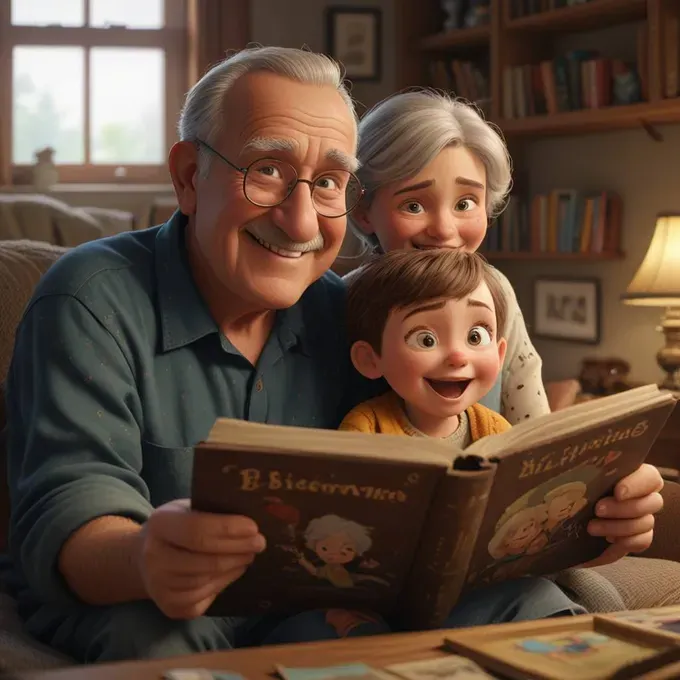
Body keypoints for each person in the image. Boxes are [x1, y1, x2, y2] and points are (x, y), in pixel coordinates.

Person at [3, 46, 384, 663]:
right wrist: (146, 555)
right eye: (266, 170)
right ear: (187, 178)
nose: (299, 219)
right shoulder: (88, 298)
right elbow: (66, 510)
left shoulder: (347, 319)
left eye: (330, 183)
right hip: (134, 602)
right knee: (163, 636)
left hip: (300, 605)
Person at [347, 89, 663, 570]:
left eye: (466, 202)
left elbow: (534, 436)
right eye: (414, 205)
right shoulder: (340, 302)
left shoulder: (496, 293)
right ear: (364, 210)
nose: (445, 230)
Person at [339, 248, 511, 443]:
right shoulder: (364, 429)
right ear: (369, 359)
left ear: (499, 355)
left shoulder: (498, 431)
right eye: (425, 340)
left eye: (475, 337)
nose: (458, 357)